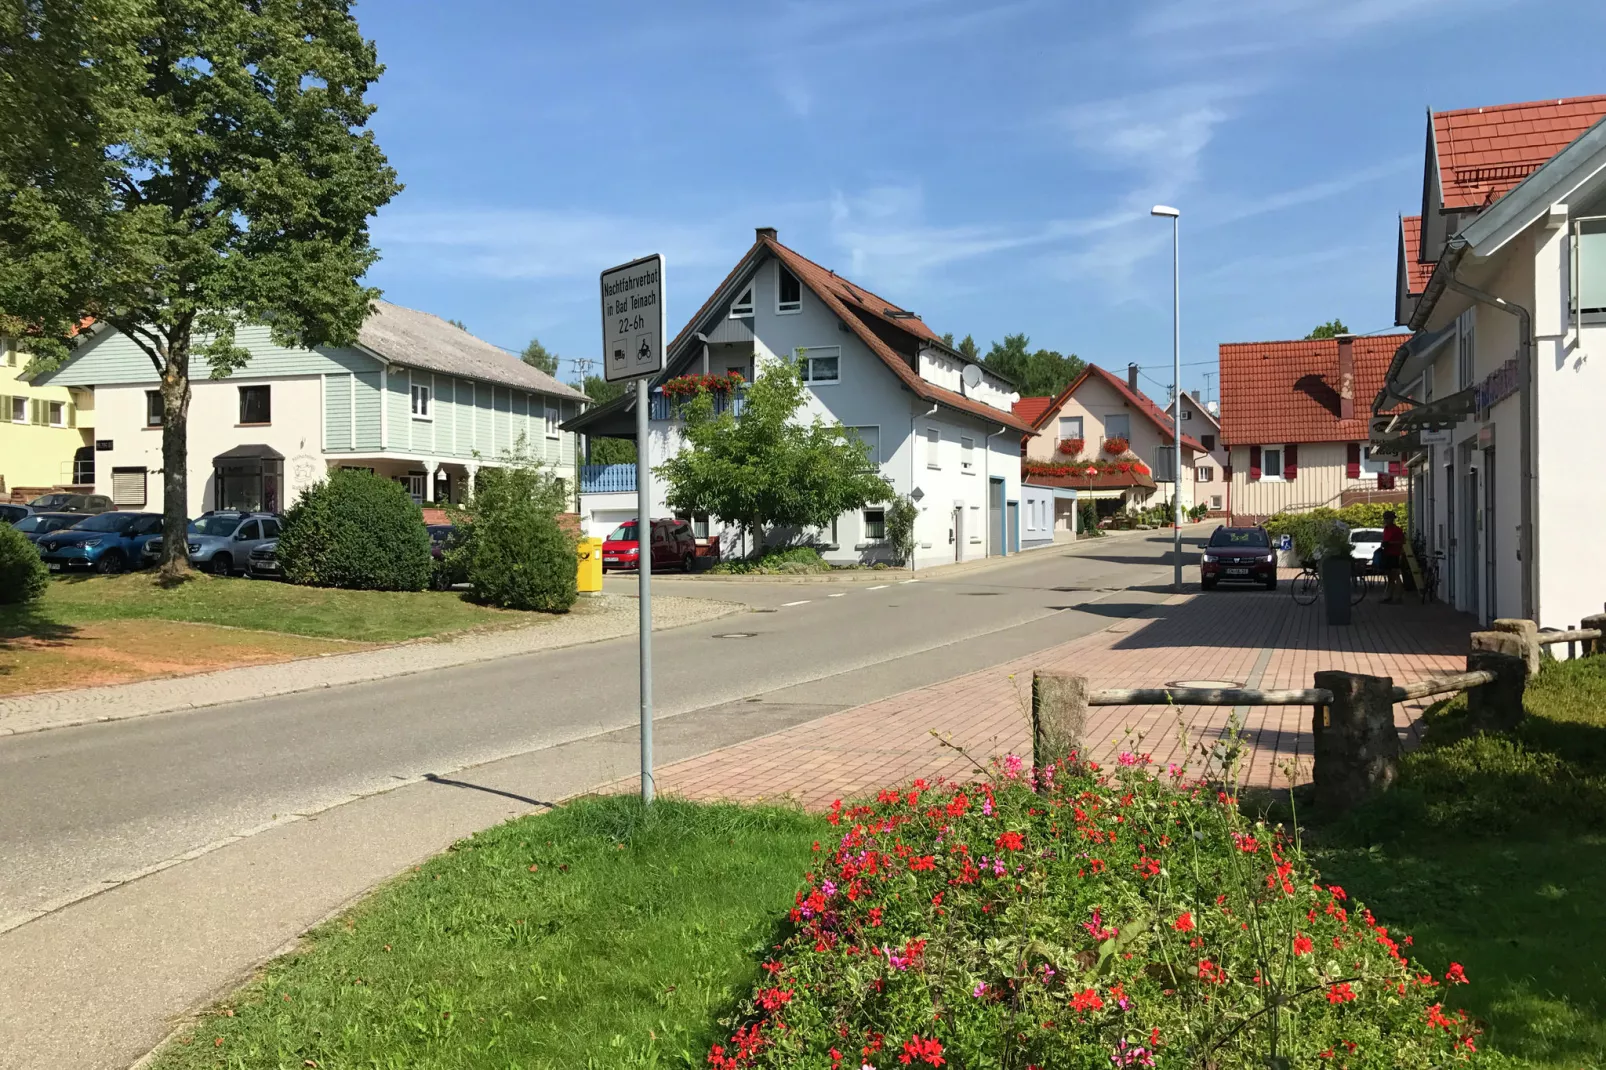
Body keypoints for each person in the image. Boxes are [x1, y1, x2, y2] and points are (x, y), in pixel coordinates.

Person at [1380, 511, 1405, 603]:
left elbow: (1402, 542)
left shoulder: (1397, 530)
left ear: (1392, 519)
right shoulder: (1385, 529)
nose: (1386, 520)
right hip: (1386, 554)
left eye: (1388, 518)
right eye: (1385, 518)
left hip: (1394, 554)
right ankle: (1389, 596)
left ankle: (1398, 597)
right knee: (1390, 577)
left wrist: (1390, 543)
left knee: (1396, 576)